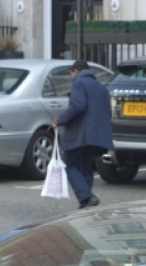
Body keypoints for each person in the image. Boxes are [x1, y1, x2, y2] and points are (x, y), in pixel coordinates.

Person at [52, 60, 113, 210]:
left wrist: (60, 119)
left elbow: (78, 106)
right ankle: (86, 204)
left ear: (75, 71)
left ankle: (86, 197)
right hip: (97, 135)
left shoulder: (79, 83)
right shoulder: (101, 87)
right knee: (85, 166)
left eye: (71, 74)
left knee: (69, 163)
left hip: (82, 133)